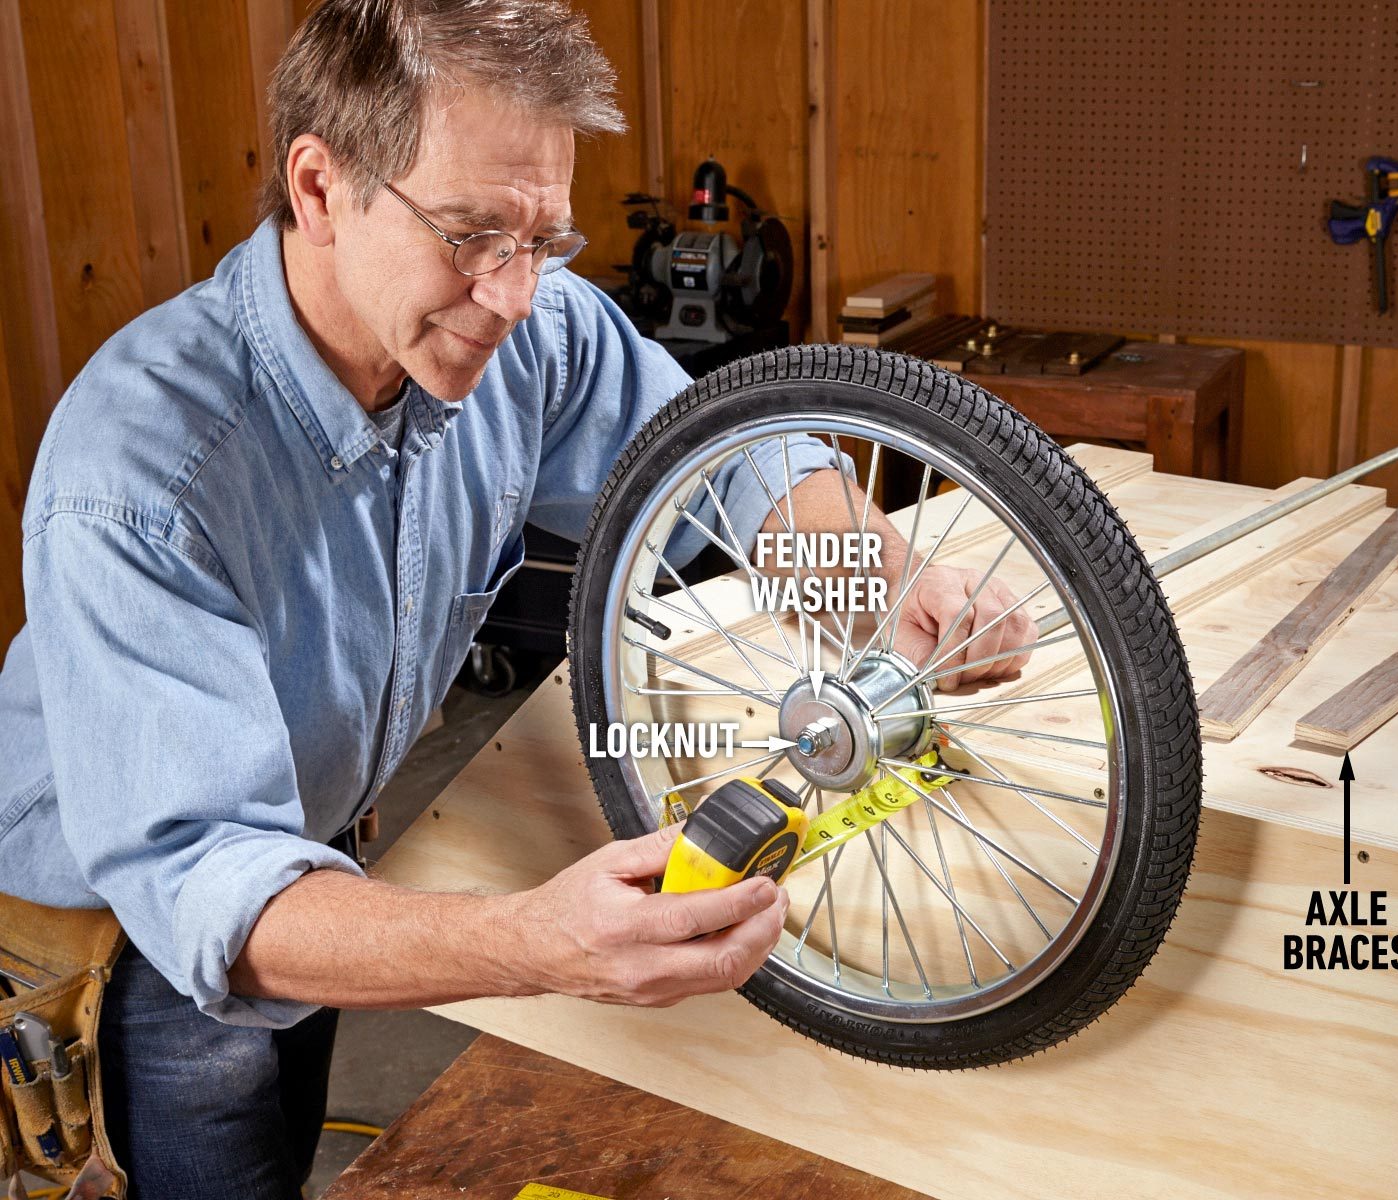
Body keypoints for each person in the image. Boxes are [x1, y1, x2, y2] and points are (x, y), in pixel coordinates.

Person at [0, 2, 1032, 1194]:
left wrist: (881, 584)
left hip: (308, 841)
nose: (512, 292)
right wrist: (538, 945)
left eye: (545, 239)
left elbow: (720, 465)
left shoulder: (522, 329)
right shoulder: (139, 472)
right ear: (322, 188)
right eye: (471, 234)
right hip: (124, 928)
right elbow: (206, 886)